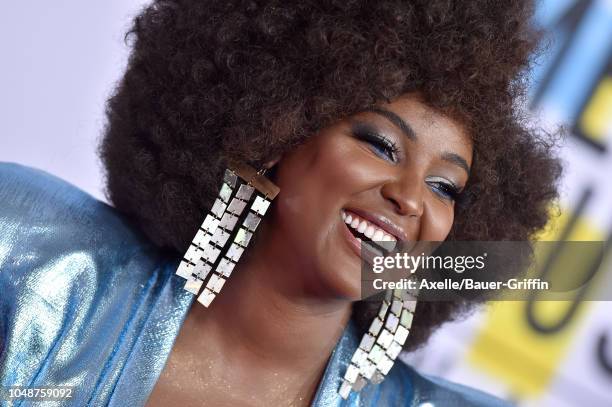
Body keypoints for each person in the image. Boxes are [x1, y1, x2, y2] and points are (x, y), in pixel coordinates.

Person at [0, 1, 561, 405]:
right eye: (380, 145)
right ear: (272, 136)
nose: (410, 198)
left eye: (445, 187)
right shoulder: (26, 259)